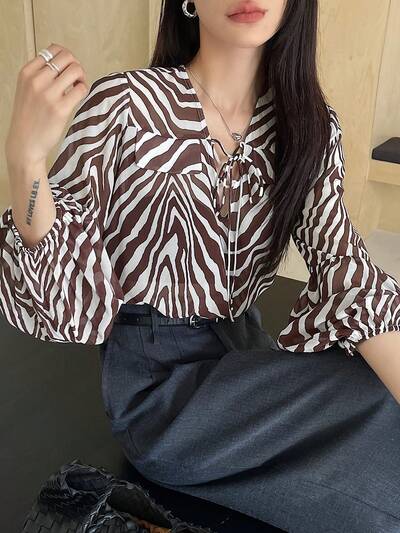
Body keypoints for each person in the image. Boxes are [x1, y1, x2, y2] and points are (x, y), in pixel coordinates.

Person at [1, 0, 400, 531]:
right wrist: (26, 161)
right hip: (159, 391)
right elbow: (65, 308)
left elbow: (343, 264)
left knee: (378, 391)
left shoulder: (308, 125)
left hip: (246, 356)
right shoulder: (125, 106)